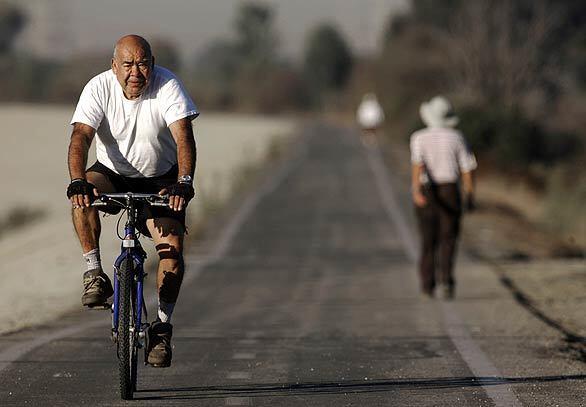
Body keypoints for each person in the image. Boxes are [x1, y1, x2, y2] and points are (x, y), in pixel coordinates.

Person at [66, 35, 198, 367]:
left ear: (153, 65)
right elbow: (81, 135)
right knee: (81, 200)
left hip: (161, 178)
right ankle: (94, 272)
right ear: (114, 66)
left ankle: (162, 329)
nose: (135, 72)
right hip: (112, 172)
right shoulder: (98, 87)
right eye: (127, 64)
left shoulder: (168, 85)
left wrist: (183, 183)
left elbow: (184, 136)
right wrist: (78, 180)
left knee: (172, 254)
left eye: (142, 64)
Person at [410, 96, 477, 300]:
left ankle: (426, 284)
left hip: (427, 189)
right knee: (448, 237)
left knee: (428, 239)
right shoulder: (457, 137)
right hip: (450, 189)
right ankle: (446, 280)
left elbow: (418, 166)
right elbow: (467, 168)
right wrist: (470, 193)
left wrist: (416, 191)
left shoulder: (418, 137)